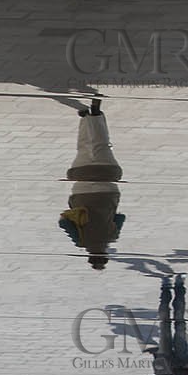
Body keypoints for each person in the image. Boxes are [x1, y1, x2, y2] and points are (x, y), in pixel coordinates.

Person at [58, 99, 125, 269]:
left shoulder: (112, 236)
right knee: (83, 148)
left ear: (106, 253)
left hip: (108, 182)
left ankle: (95, 116)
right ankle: (86, 118)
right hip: (82, 186)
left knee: (102, 146)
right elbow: (63, 223)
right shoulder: (81, 241)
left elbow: (121, 217)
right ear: (89, 255)